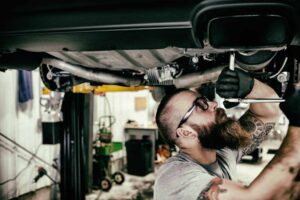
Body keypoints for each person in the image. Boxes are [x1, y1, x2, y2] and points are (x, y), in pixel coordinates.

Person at [153, 66, 299, 199]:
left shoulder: (222, 153)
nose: (213, 104)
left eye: (206, 100)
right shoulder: (175, 176)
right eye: (200, 105)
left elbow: (267, 114)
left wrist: (251, 87)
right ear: (185, 132)